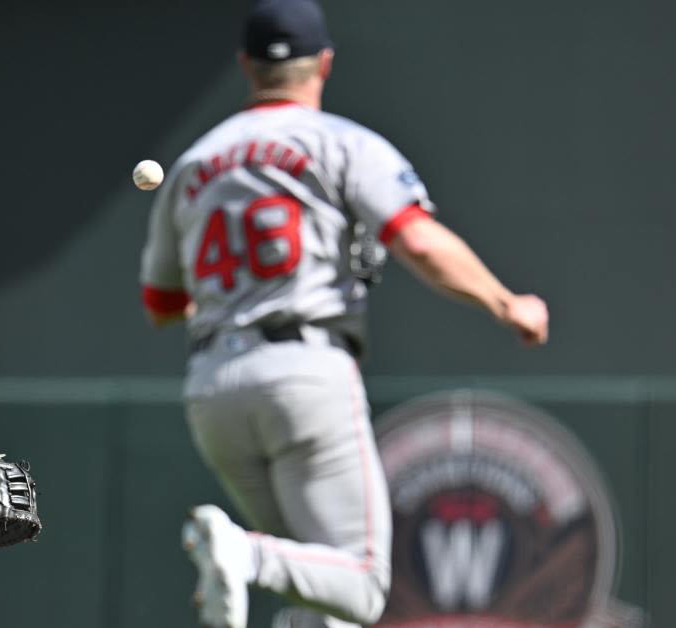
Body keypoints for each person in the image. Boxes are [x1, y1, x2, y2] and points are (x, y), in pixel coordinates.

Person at [137, 1, 550, 627]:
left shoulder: (194, 163)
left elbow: (162, 305)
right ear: (324, 63)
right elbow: (418, 240)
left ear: (246, 65)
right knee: (360, 582)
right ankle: (241, 553)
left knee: (315, 583)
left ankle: (246, 558)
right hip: (305, 372)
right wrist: (504, 301)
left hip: (213, 387)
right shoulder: (343, 144)